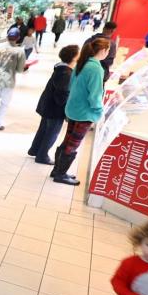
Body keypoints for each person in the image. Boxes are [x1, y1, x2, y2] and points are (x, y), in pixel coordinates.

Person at [50, 37, 109, 185]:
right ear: (103, 51)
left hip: (74, 109)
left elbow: (73, 85)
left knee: (67, 140)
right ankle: (61, 174)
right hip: (85, 112)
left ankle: (57, 170)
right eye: (108, 50)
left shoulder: (82, 63)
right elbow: (95, 95)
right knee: (73, 143)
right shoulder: (96, 68)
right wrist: (99, 111)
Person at [28, 45, 79, 165]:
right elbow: (62, 93)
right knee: (52, 132)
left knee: (44, 129)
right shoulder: (66, 73)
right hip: (55, 109)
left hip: (48, 105)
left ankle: (35, 149)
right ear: (74, 57)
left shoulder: (61, 68)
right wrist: (66, 108)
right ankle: (42, 155)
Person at [0, 28, 26, 132]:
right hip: (9, 81)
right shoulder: (20, 51)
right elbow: (20, 70)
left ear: (7, 36)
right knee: (4, 103)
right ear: (18, 38)